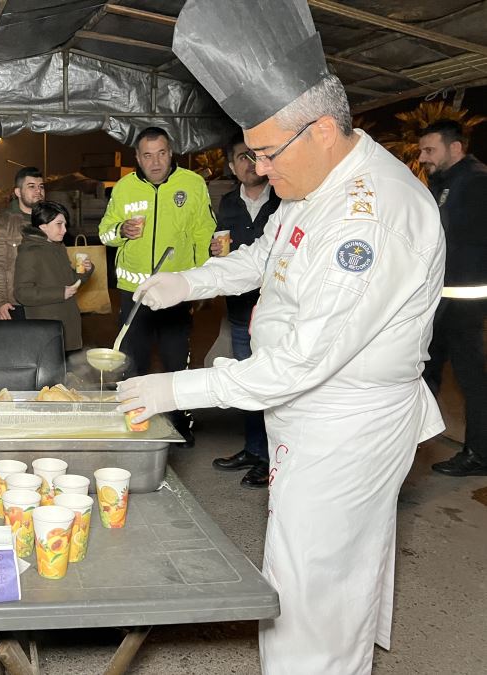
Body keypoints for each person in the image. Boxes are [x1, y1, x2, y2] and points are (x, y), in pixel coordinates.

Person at [118, 3, 446, 672]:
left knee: (314, 593)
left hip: (346, 423)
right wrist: (186, 282)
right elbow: (263, 256)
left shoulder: (370, 220)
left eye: (266, 152)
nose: (259, 169)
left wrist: (173, 386)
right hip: (310, 413)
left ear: (321, 130)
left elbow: (297, 363)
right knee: (309, 570)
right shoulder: (314, 183)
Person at [98, 126, 216, 440]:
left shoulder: (192, 184)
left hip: (175, 291)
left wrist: (203, 283)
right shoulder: (123, 189)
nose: (155, 162)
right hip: (133, 292)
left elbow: (204, 235)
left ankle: (180, 424)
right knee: (132, 361)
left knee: (175, 360)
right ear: (137, 157)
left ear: (171, 152)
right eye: (147, 155)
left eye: (161, 153)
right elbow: (104, 234)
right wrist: (122, 230)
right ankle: (134, 421)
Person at [210, 133, 281, 488]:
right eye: (241, 157)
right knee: (249, 384)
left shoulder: (284, 200)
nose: (249, 164)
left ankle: (272, 459)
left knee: (273, 384)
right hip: (240, 312)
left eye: (255, 156)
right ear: (232, 166)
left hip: (275, 313)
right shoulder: (226, 203)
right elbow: (223, 249)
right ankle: (254, 449)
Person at [417, 119, 487, 476]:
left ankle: (479, 453)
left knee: (470, 377)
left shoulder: (474, 182)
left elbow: (455, 241)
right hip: (442, 297)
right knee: (425, 368)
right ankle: (409, 440)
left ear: (455, 148)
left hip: (463, 298)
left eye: (430, 150)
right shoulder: (445, 182)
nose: (423, 157)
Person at [14, 201, 93, 351]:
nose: (64, 230)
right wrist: (60, 293)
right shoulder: (30, 253)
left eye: (65, 224)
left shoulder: (57, 247)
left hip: (66, 323)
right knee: (52, 373)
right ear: (43, 226)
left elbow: (70, 283)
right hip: (48, 330)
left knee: (66, 371)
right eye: (59, 224)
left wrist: (84, 271)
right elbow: (22, 293)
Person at [0, 167, 45, 320]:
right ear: (18, 192)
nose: (38, 191)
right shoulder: (4, 222)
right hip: (16, 304)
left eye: (41, 186)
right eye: (31, 186)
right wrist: (0, 301)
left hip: (46, 301)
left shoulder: (51, 220)